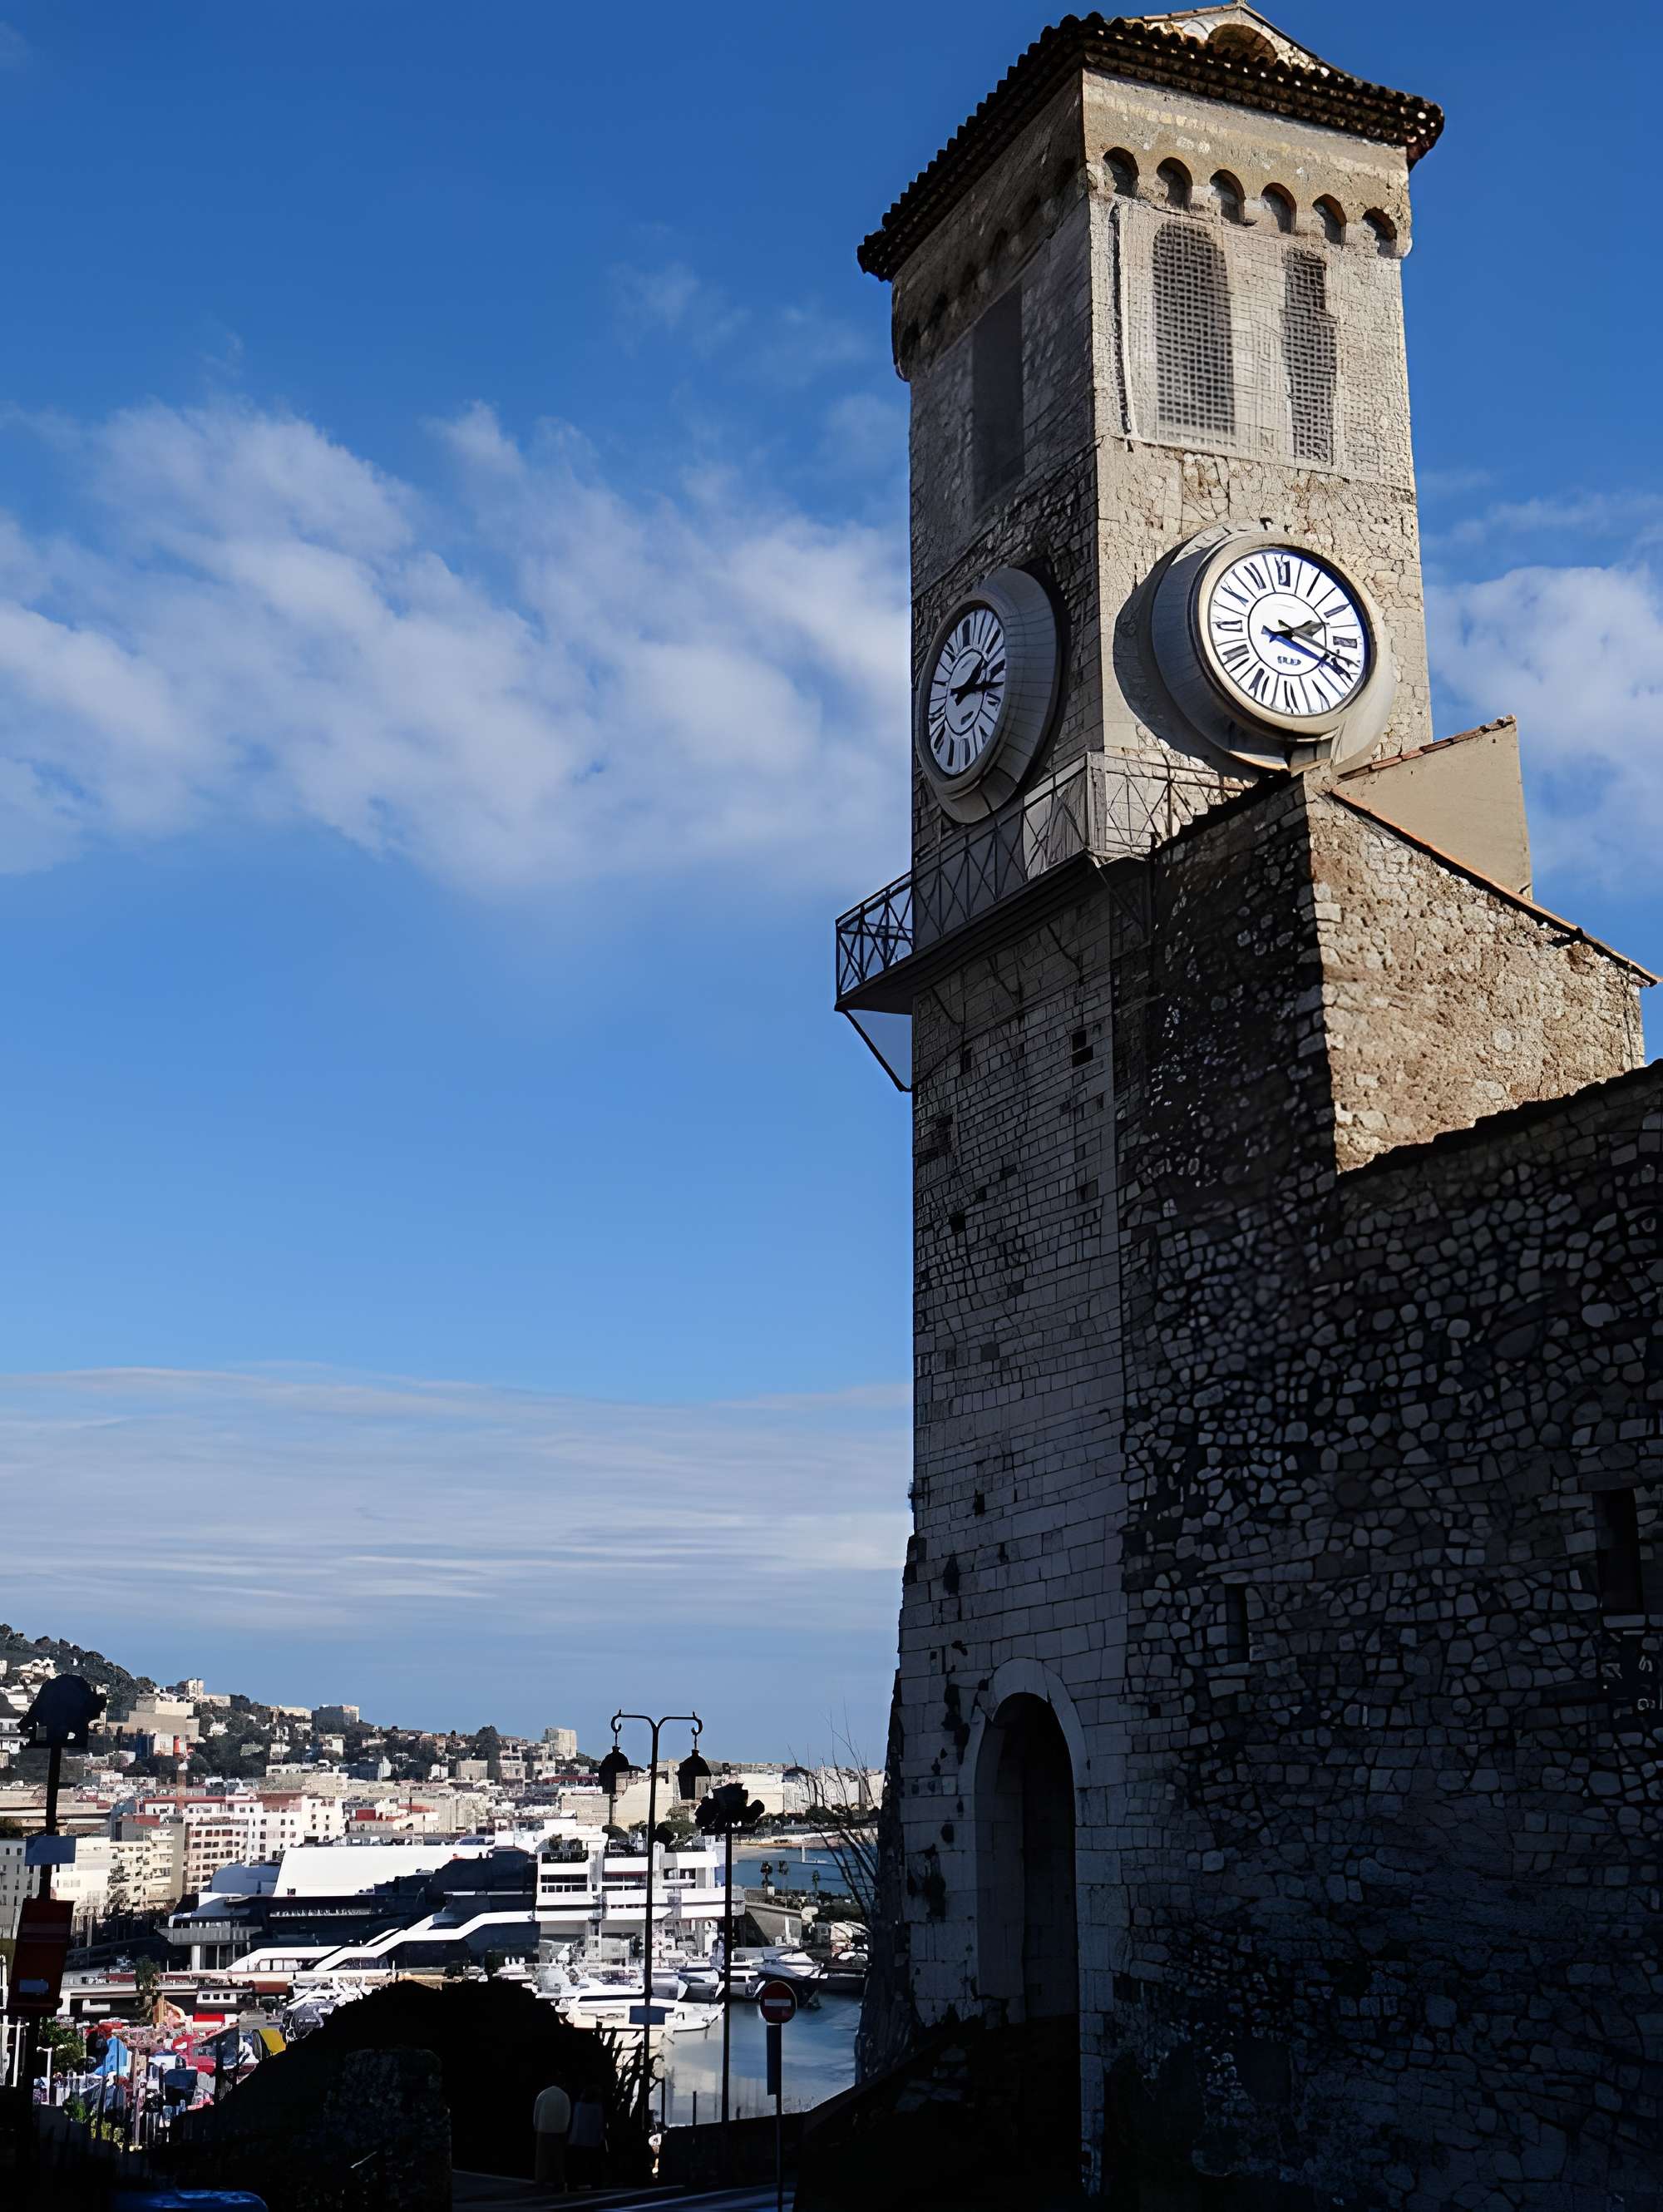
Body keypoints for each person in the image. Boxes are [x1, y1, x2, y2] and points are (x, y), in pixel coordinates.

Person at [532, 2081, 572, 2190]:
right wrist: (565, 2127)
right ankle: (558, 2179)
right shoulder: (564, 2096)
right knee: (558, 2157)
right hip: (559, 2130)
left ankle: (540, 2179)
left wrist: (536, 2125)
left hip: (543, 2128)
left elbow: (537, 2111)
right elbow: (567, 2113)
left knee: (542, 2157)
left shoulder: (543, 2094)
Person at [566, 2088, 605, 2190]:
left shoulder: (578, 2106)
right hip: (592, 2141)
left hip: (577, 2140)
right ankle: (596, 2184)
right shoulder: (598, 2108)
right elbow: (599, 2124)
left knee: (576, 2164)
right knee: (593, 2164)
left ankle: (573, 2184)